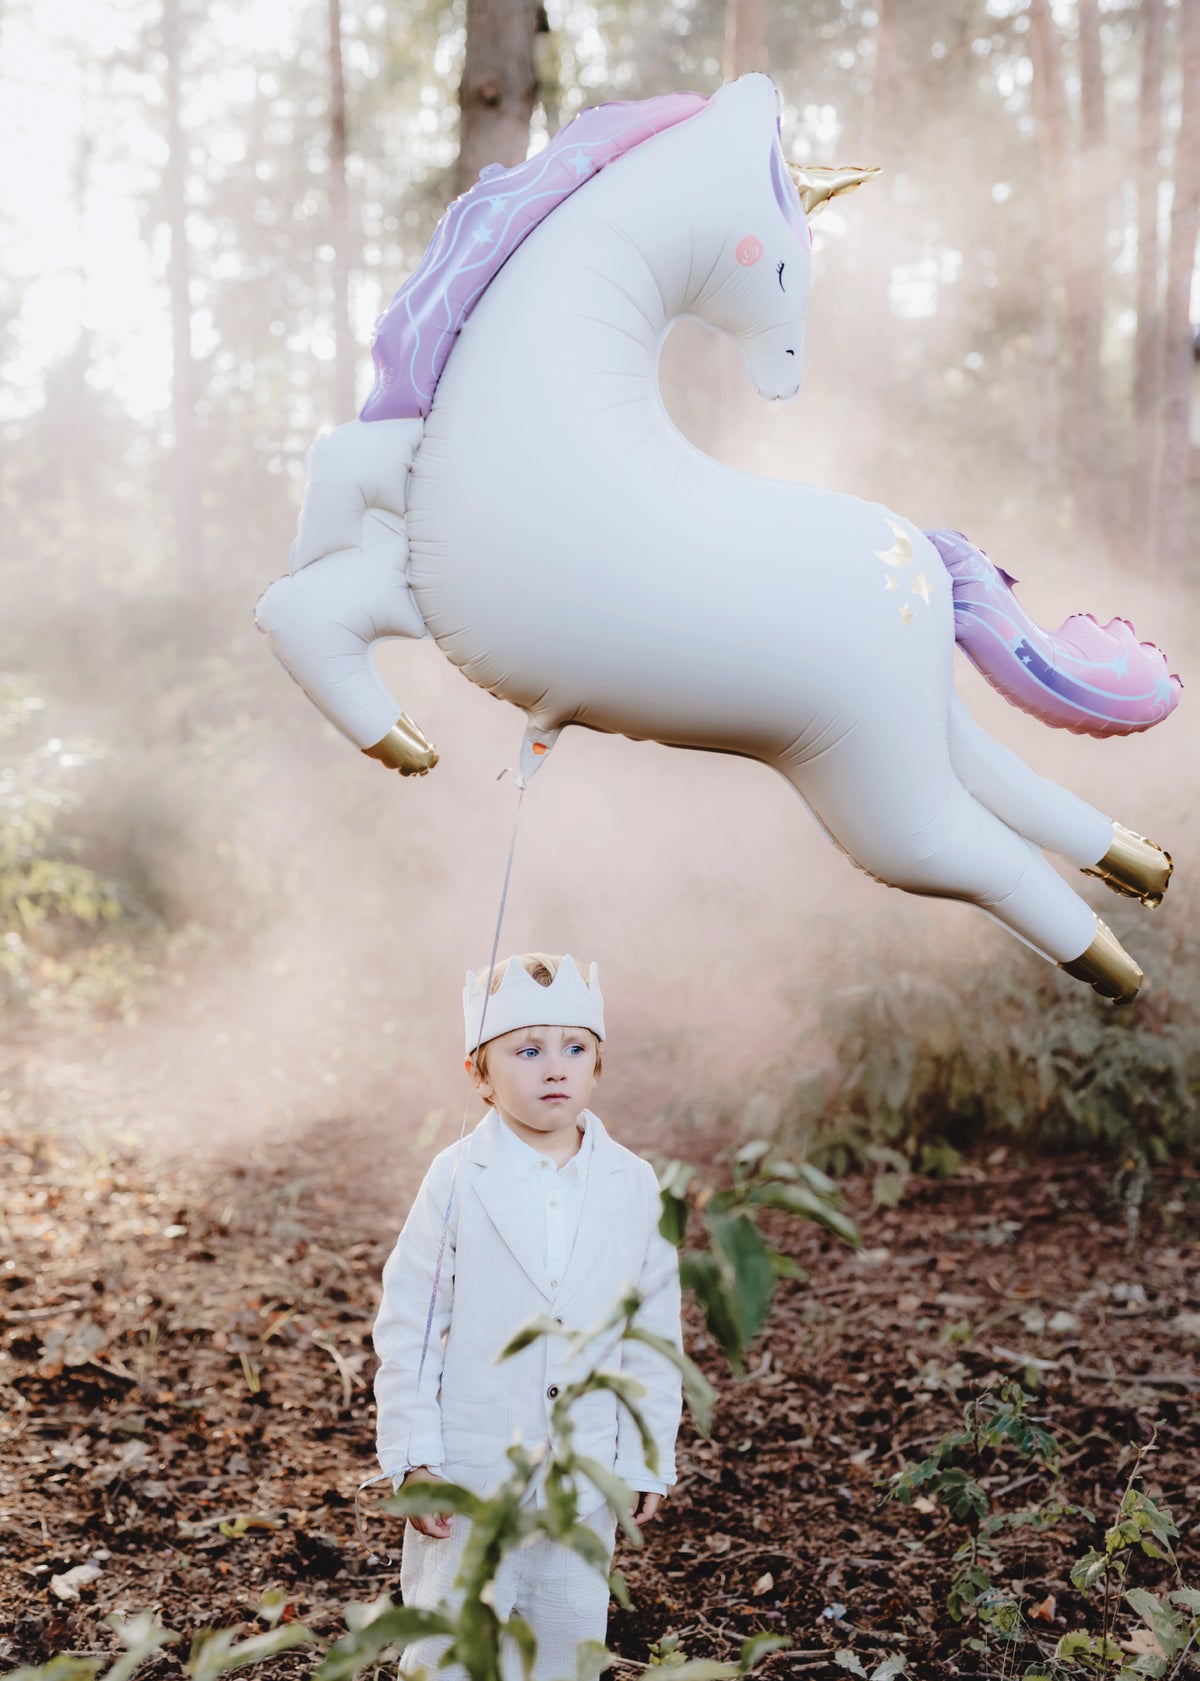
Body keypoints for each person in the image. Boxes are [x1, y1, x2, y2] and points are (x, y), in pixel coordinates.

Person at [373, 952, 683, 1680]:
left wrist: (644, 1454)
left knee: (567, 1642)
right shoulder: (455, 1176)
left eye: (575, 1048)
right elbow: (412, 1317)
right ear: (480, 1074)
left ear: (598, 1066)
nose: (556, 1067)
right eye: (528, 1049)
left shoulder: (633, 1183)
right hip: (470, 1465)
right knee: (449, 1641)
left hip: (583, 1469)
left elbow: (654, 1328)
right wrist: (414, 1449)